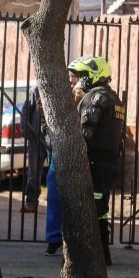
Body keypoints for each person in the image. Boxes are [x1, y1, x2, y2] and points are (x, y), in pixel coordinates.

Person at [69, 55, 126, 266]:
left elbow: (85, 133)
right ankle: (103, 254)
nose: (77, 80)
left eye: (81, 75)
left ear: (92, 75)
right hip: (109, 163)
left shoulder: (96, 98)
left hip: (94, 163)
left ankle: (95, 256)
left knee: (92, 207)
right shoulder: (114, 98)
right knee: (100, 208)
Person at [43, 71, 83, 256]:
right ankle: (54, 239)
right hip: (59, 154)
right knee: (54, 196)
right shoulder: (55, 97)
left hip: (79, 154)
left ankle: (74, 238)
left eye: (74, 77)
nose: (71, 81)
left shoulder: (86, 97)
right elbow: (48, 124)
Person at [20, 84, 46, 213]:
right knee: (34, 172)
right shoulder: (36, 89)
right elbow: (26, 111)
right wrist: (26, 131)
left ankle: (57, 202)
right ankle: (31, 201)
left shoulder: (62, 87)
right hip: (36, 138)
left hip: (54, 138)